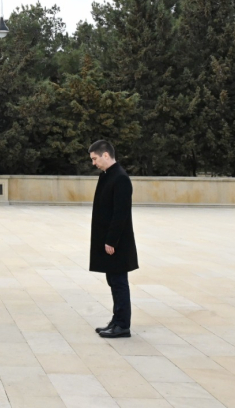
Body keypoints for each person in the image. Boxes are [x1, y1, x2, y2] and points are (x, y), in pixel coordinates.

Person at [89, 140, 138, 338]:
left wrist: (111, 241)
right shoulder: (108, 176)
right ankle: (116, 320)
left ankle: (122, 325)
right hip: (109, 241)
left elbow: (121, 214)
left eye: (95, 158)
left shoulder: (120, 178)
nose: (93, 163)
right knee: (113, 281)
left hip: (117, 244)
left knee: (119, 282)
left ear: (106, 155)